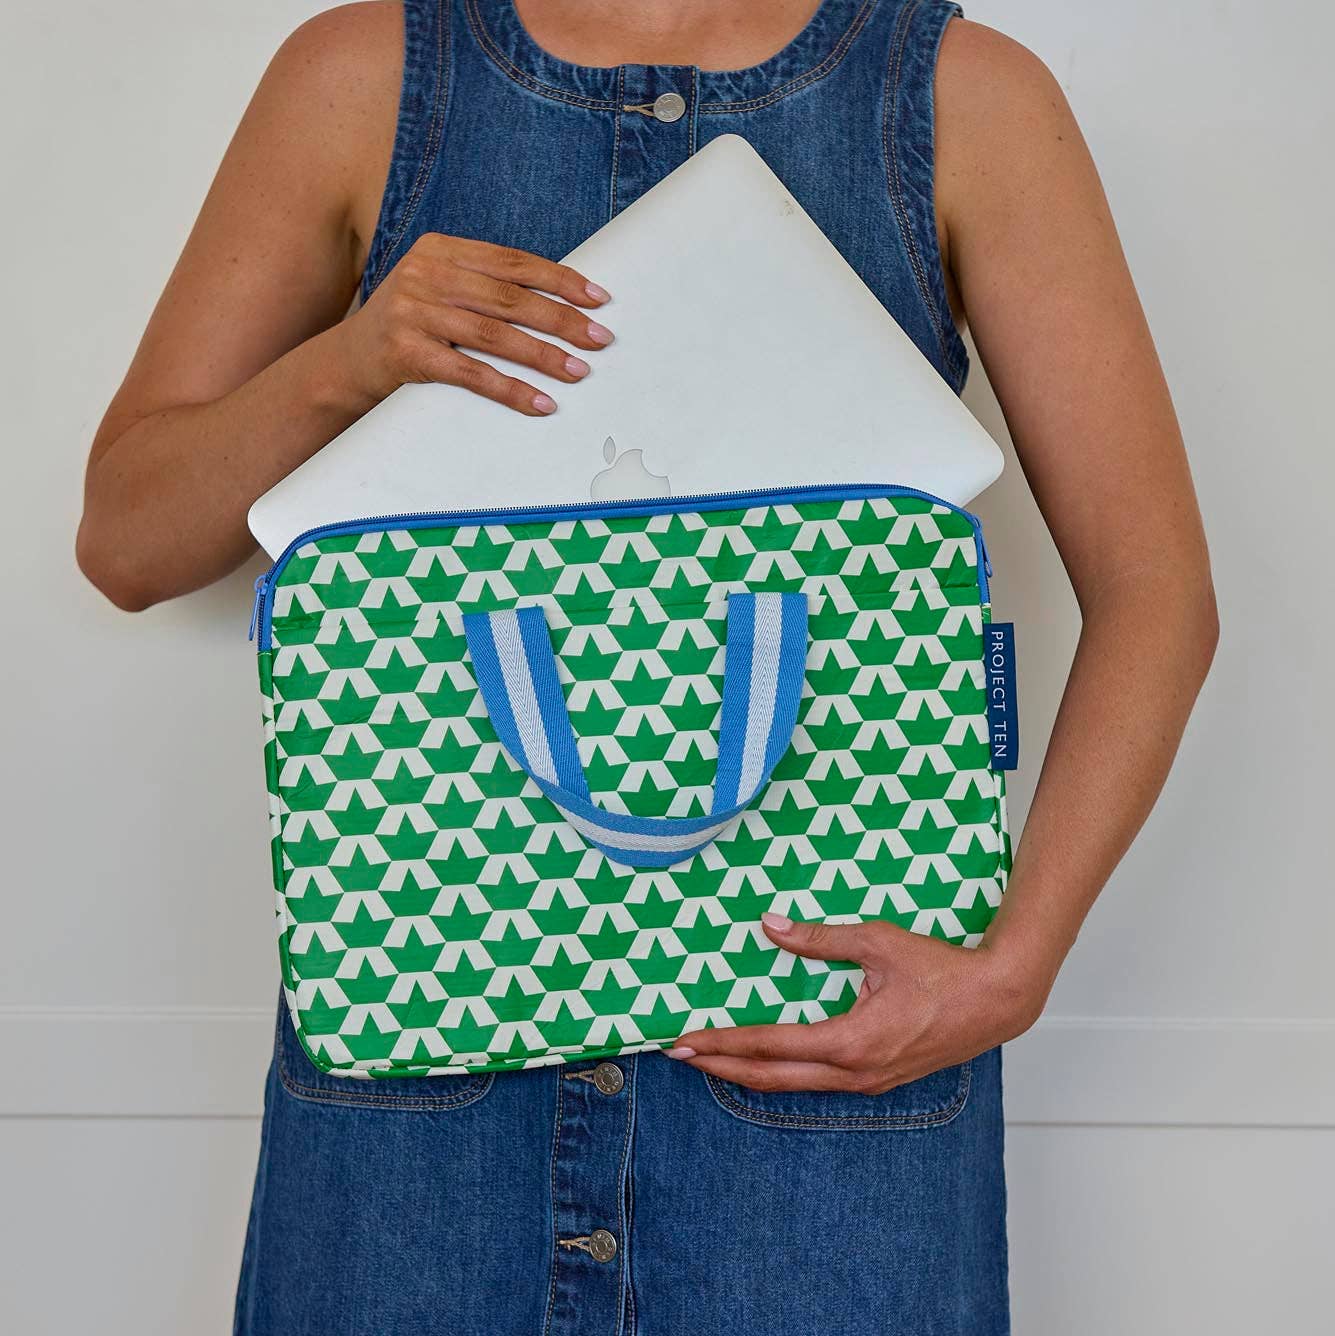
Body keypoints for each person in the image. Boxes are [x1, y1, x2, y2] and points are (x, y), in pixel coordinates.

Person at [75, 2, 1218, 1332]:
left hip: (826, 1099)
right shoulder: (356, 77)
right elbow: (130, 541)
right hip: (422, 1132)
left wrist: (1016, 964)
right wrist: (350, 365)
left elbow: (1156, 593)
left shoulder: (972, 99)